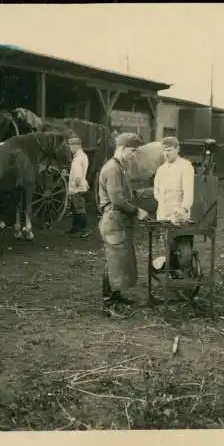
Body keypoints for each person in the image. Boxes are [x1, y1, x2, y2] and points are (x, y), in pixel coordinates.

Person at [98, 132, 149, 316]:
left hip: (119, 220)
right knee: (113, 262)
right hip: (114, 219)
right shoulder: (112, 169)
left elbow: (125, 194)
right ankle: (108, 306)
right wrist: (137, 211)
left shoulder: (120, 167)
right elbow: (117, 199)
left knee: (118, 262)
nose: (134, 155)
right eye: (132, 151)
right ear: (122, 148)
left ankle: (116, 297)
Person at [153, 136, 195, 278]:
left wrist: (183, 209)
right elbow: (156, 191)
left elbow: (188, 191)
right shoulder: (161, 169)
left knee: (180, 245)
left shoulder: (185, 166)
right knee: (166, 244)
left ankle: (182, 270)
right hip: (164, 213)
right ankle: (170, 270)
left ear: (177, 149)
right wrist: (163, 203)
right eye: (164, 151)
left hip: (179, 213)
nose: (166, 154)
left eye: (170, 150)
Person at [67, 135, 90, 237]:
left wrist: (76, 181)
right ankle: (75, 229)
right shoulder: (80, 156)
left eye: (70, 146)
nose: (69, 149)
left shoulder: (79, 158)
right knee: (75, 209)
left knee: (79, 209)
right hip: (76, 187)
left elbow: (78, 172)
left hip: (77, 187)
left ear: (76, 146)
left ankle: (83, 230)